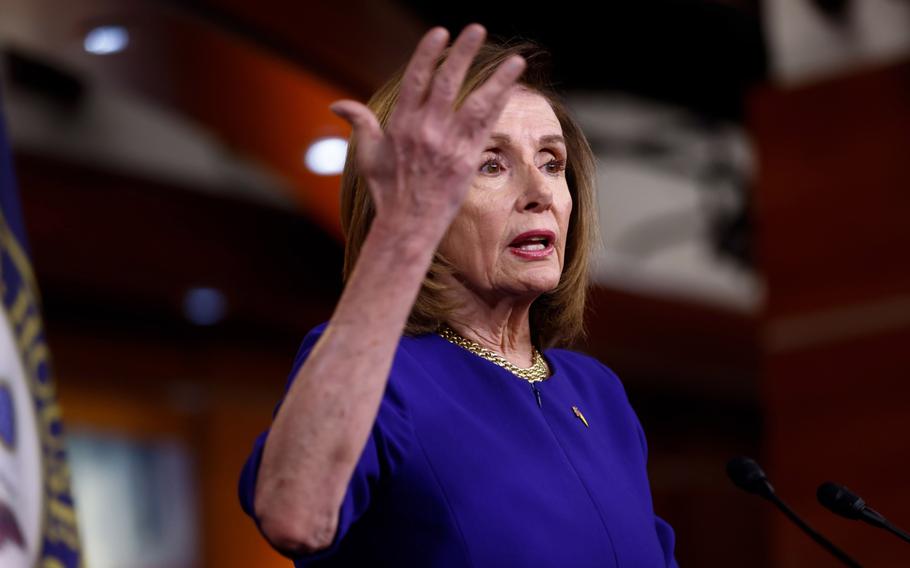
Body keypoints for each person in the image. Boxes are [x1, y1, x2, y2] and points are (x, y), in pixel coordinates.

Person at [238, 23, 678, 567]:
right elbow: (292, 517)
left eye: (552, 163)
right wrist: (400, 239)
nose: (539, 193)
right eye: (490, 165)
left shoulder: (600, 393)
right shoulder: (381, 371)